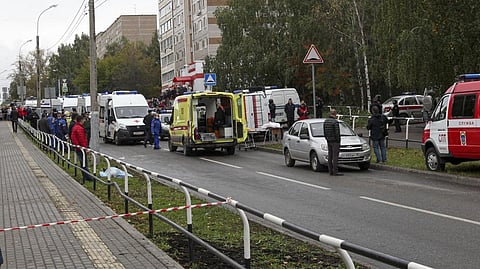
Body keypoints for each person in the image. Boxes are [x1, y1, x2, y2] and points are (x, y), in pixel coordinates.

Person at [70, 115, 92, 181]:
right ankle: (88, 177)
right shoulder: (79, 128)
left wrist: (76, 145)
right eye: (84, 120)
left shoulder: (75, 127)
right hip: (81, 148)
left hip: (78, 147)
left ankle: (86, 176)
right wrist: (85, 148)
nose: (84, 121)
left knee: (82, 162)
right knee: (84, 163)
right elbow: (82, 139)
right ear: (81, 120)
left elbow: (73, 137)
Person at [323, 109, 342, 176]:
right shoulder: (335, 122)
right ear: (335, 114)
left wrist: (327, 138)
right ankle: (335, 171)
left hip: (329, 140)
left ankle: (330, 171)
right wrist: (338, 140)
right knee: (335, 157)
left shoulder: (326, 121)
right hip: (335, 141)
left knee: (330, 156)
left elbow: (324, 132)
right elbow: (337, 133)